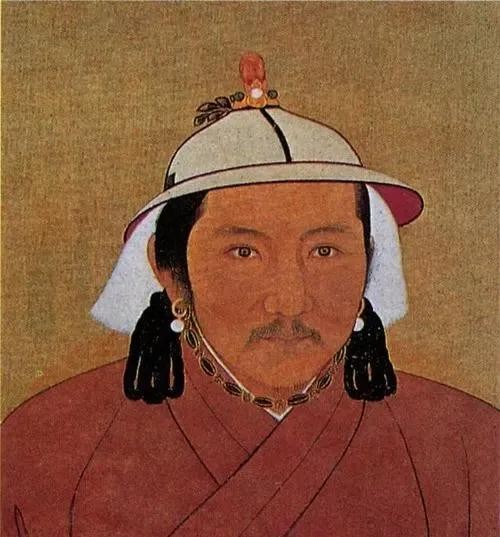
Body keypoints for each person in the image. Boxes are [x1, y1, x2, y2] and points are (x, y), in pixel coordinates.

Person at [2, 53, 497, 537]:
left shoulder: (469, 447)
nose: (290, 301)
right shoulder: (44, 446)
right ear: (168, 269)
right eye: (244, 252)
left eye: (325, 251)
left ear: (368, 261)